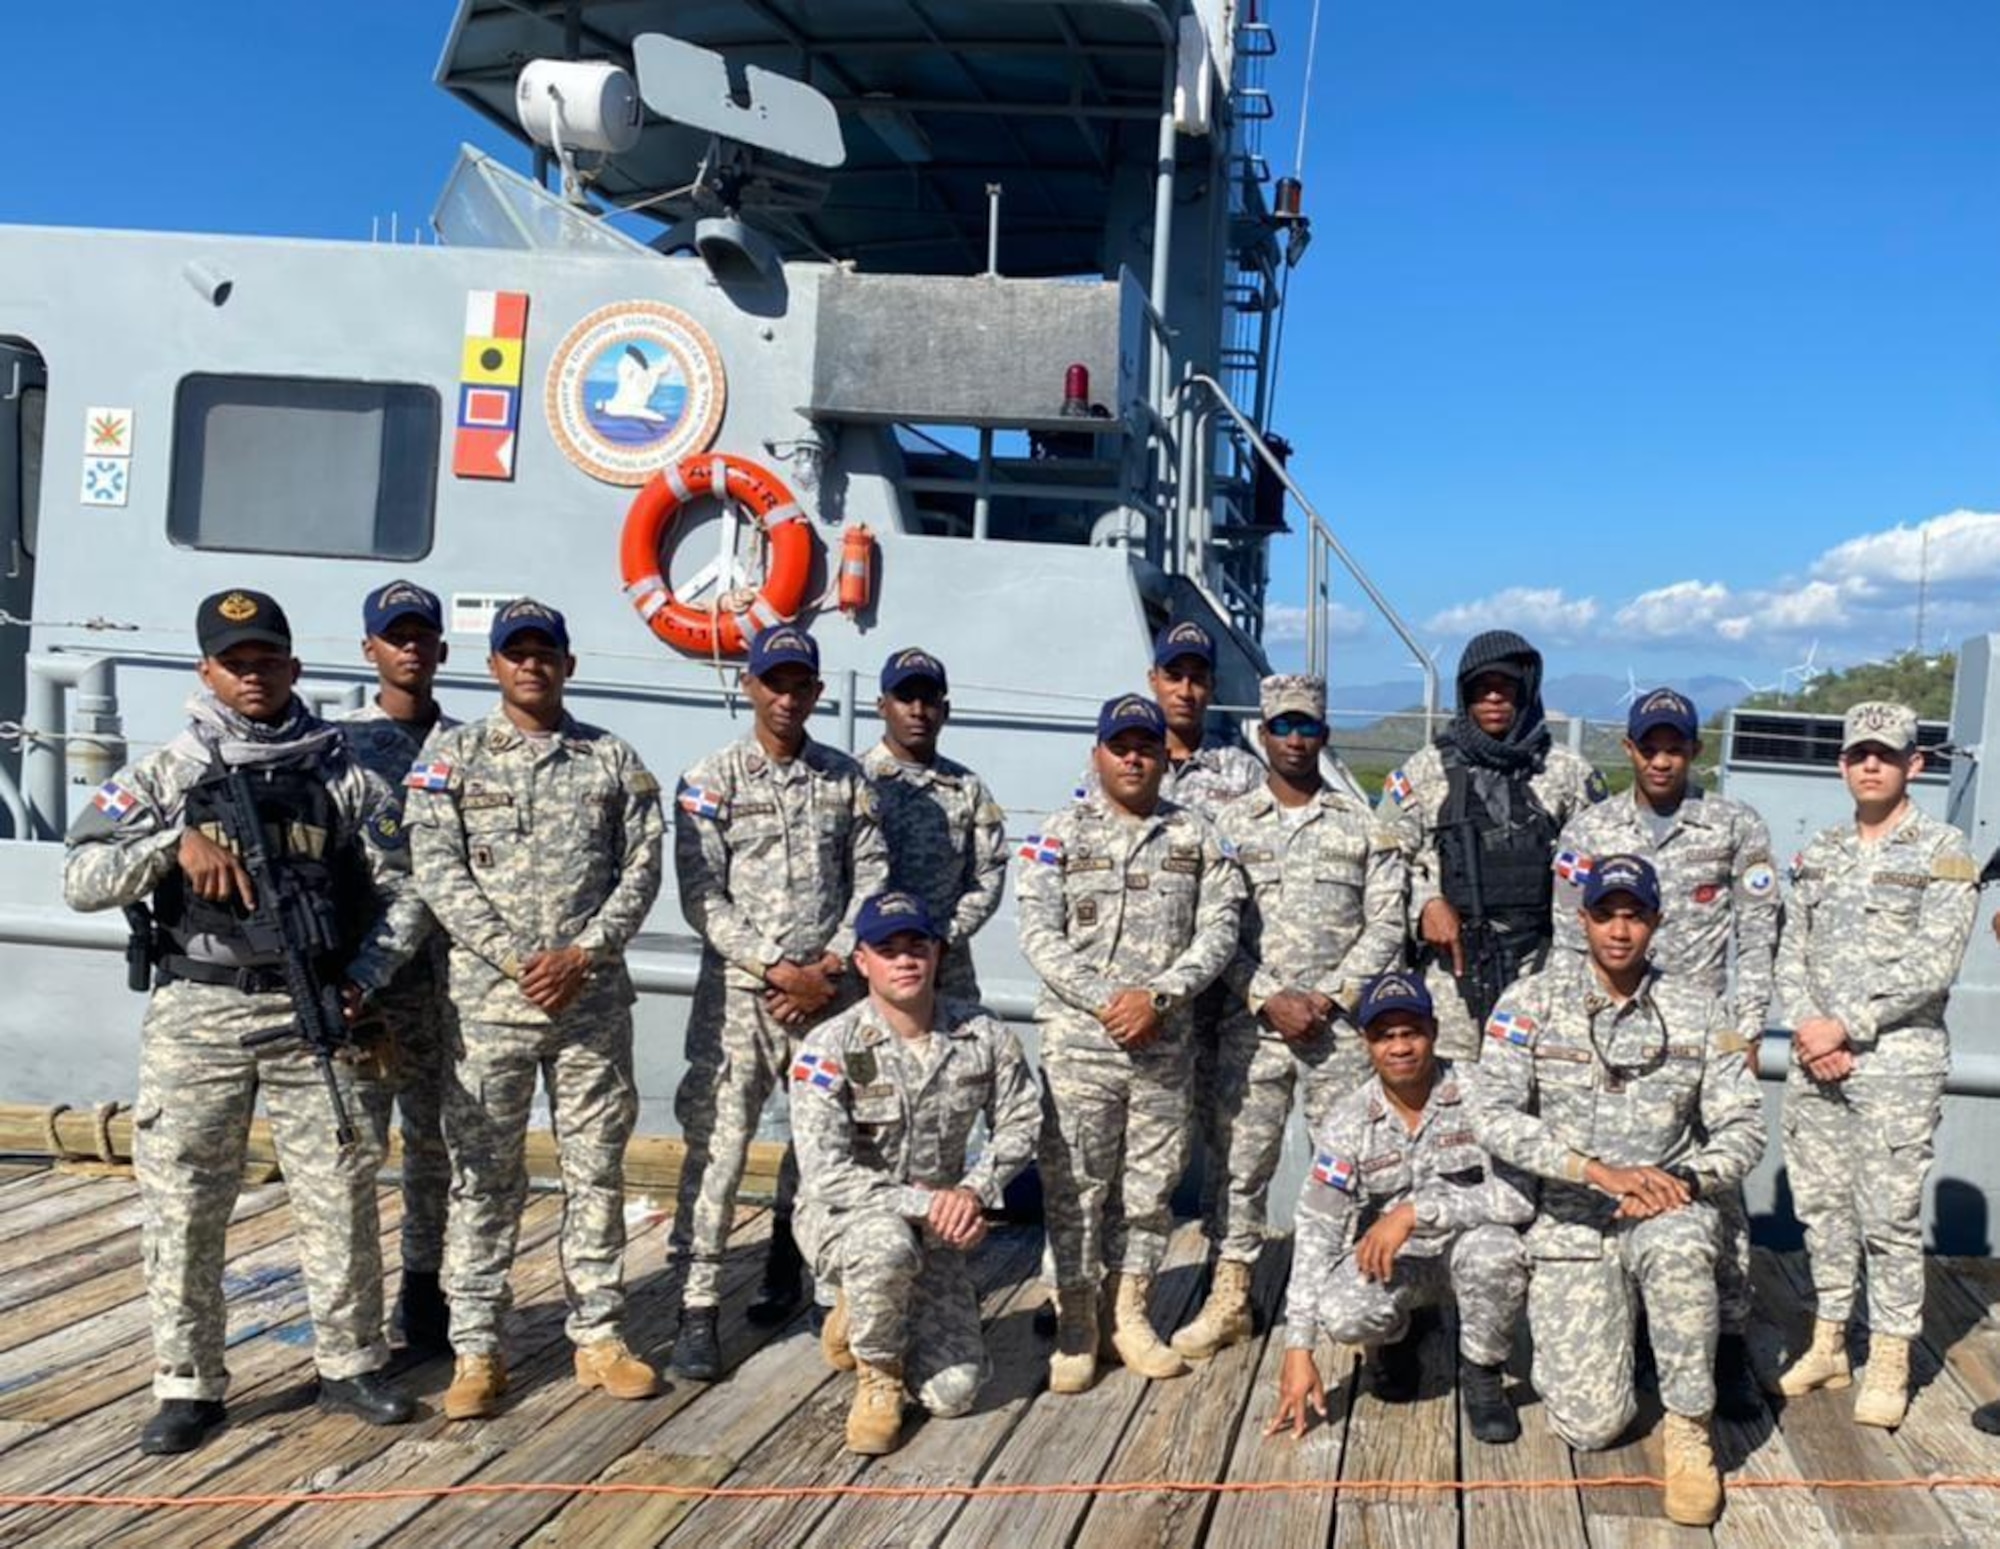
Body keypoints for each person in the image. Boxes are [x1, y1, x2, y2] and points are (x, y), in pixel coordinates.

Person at [64, 589, 423, 1454]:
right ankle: (187, 1382)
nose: (252, 674)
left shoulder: (346, 777)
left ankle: (349, 1361)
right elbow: (78, 875)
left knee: (338, 1190)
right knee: (185, 1196)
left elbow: (407, 893)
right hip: (200, 1010)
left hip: (315, 1012)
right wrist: (168, 847)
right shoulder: (166, 774)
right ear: (208, 671)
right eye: (236, 661)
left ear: (294, 668)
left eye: (267, 659)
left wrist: (363, 979)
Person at [404, 597, 665, 1419]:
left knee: (596, 1171)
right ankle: (478, 1347)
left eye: (544, 652)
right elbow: (438, 873)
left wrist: (584, 953)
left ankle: (599, 1335)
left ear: (567, 664)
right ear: (492, 668)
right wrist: (519, 959)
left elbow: (643, 867)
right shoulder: (451, 761)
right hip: (490, 1007)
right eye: (515, 653)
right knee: (484, 1176)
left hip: (589, 1003)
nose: (531, 665)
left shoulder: (611, 761)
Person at [1470, 854, 1765, 1527]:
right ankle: (1628, 1333)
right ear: (1583, 919)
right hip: (1574, 1219)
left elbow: (1744, 1126)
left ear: (1657, 921)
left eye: (1635, 914)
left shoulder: (1697, 1007)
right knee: (1591, 1424)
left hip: (1665, 1206)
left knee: (1685, 1241)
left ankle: (1692, 1428)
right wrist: (1593, 1169)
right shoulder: (1532, 1001)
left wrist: (1687, 1178)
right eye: (1607, 913)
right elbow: (1492, 1113)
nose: (1621, 930)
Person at [1549, 686, 1780, 1419]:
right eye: (1648, 745)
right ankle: (1639, 1330)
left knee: (1721, 1197)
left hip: (1703, 1036)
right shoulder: (1590, 831)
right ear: (1628, 749)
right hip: (1613, 1033)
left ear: (1693, 750)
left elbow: (1757, 936)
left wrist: (1745, 1030)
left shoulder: (1734, 826)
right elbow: (1564, 941)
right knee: (1619, 1178)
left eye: (1673, 745)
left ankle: (1728, 1341)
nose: (1660, 758)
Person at [668, 623, 889, 1378]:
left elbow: (871, 874)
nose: (787, 696)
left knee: (825, 1144)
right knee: (719, 1151)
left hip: (828, 996)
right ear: (750, 686)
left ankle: (818, 1284)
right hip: (740, 1000)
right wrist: (775, 967)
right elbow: (704, 897)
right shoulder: (709, 778)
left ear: (817, 692)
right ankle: (696, 1306)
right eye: (774, 682)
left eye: (801, 684)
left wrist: (828, 963)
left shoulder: (846, 780)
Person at [1174, 673, 1406, 1361]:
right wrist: (1268, 993)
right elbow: (1213, 925)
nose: (1296, 738)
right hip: (1255, 1023)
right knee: (1240, 1164)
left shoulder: (1362, 826)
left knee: (1355, 1166)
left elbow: (1386, 921)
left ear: (1324, 735)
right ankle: (1231, 1294)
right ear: (1263, 734)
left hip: (1337, 1030)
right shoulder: (1230, 827)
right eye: (1284, 726)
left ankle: (1361, 1296)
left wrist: (1330, 996)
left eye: (1308, 727)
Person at [1019, 694, 1245, 1392]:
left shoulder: (1197, 836)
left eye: (1145, 744)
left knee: (1148, 1186)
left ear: (1160, 754)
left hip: (1163, 1043)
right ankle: (1079, 1322)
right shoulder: (1058, 834)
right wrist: (1105, 1001)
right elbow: (1037, 930)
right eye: (1120, 744)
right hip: (1081, 1044)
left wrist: (1160, 997)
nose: (1134, 756)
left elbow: (1221, 928)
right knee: (1076, 1186)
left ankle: (1131, 1313)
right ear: (1098, 754)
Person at [1773, 701, 1975, 1430]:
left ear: (1913, 765)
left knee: (1886, 1215)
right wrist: (1806, 1026)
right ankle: (1830, 1338)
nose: (1869, 765)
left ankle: (1890, 1351)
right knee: (1822, 1208)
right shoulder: (1821, 850)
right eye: (1858, 752)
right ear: (1840, 763)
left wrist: (1845, 1026)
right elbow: (1789, 948)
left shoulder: (1943, 848)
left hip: (1895, 1063)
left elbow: (1935, 962)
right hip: (1815, 1058)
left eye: (1885, 755)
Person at [791, 890, 1040, 1454]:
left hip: (940, 1226)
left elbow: (1022, 1122)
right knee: (884, 1247)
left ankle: (863, 1315)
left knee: (955, 1395)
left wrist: (974, 1193)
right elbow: (827, 1173)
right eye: (887, 949)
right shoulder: (829, 1046)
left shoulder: (984, 1034)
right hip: (848, 1220)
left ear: (937, 954)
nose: (904, 960)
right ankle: (877, 1375)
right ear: (862, 961)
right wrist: (930, 1204)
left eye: (916, 947)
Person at [1266, 972, 1530, 1444]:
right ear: (1367, 1044)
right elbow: (1318, 1227)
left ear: (1433, 1031)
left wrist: (1416, 1212)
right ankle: (1398, 1339)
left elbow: (1518, 1196)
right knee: (1342, 1310)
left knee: (1498, 1253)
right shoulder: (1349, 1119)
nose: (1400, 1047)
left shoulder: (1482, 1093)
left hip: (1465, 1251)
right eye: (1385, 1036)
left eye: (1411, 1032)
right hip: (1399, 1264)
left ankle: (1482, 1373)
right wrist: (1298, 1346)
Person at [335, 579, 458, 1358]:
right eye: (394, 635)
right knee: (351, 1155)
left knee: (436, 1152)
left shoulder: (470, 747)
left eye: (421, 635)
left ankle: (424, 1297)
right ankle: (350, 1323)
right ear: (370, 650)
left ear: (442, 650)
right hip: (364, 989)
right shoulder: (333, 745)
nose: (409, 647)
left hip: (445, 988)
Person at [1383, 629, 1606, 1061]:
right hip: (1455, 975)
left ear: (1526, 693)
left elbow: (1603, 863)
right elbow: (1384, 856)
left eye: (1505, 688)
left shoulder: (1566, 773)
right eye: (1481, 689)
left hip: (1544, 969)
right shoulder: (1426, 770)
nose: (1493, 698)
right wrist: (1426, 903)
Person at [860, 647, 1008, 1001]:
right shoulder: (854, 780)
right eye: (905, 698)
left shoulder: (967, 787)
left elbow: (989, 873)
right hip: (869, 967)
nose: (917, 711)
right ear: (882, 707)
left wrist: (941, 938)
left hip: (945, 969)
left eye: (928, 700)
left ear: (945, 711)